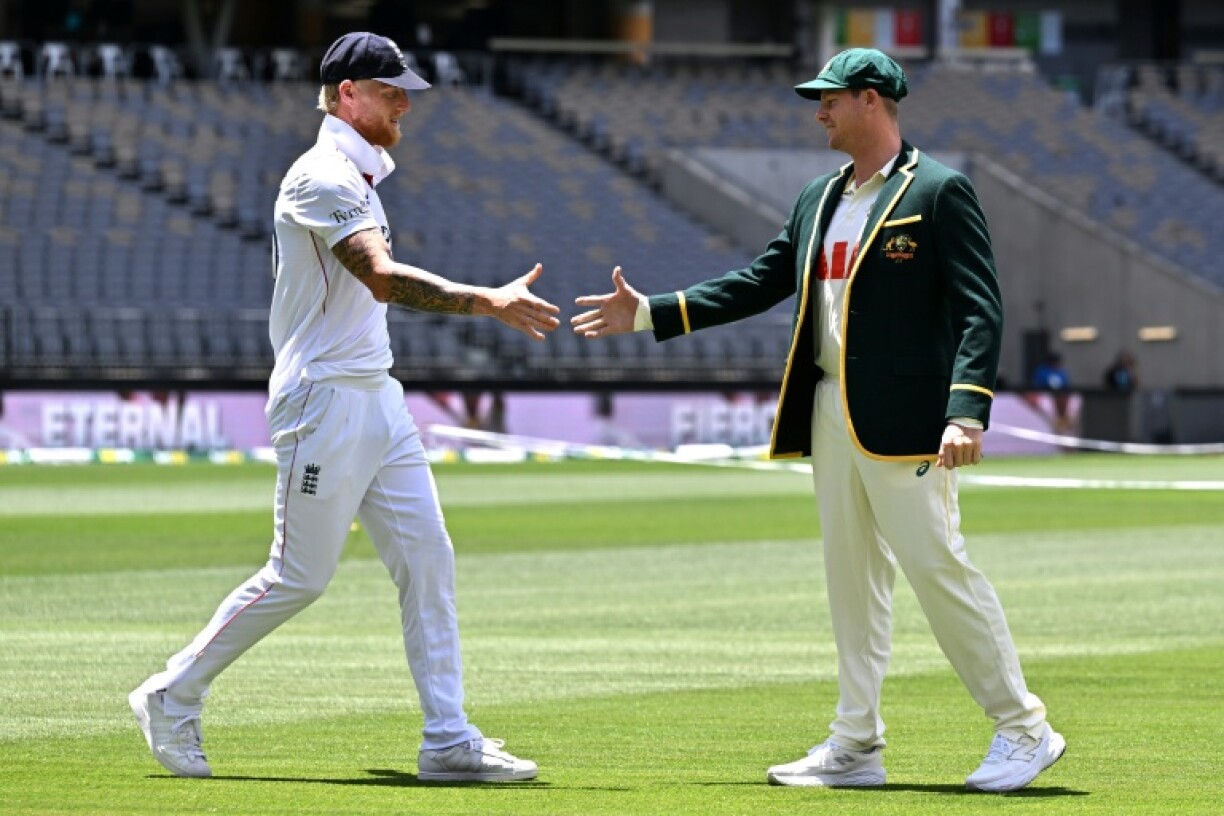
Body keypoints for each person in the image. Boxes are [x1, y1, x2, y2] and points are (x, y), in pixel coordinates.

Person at [572, 48, 1064, 793]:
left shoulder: (939, 190)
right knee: (850, 583)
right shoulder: (819, 196)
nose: (820, 112)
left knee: (939, 570)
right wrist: (650, 313)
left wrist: (966, 412)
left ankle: (1024, 727)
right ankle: (856, 744)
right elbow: (762, 278)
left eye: (831, 98)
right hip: (830, 409)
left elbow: (980, 309)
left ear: (871, 100)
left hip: (908, 419)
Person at [129, 31, 558, 782]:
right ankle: (171, 693)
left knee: (428, 560)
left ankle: (448, 739)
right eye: (391, 92)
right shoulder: (321, 176)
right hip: (322, 399)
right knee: (297, 576)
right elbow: (381, 278)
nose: (404, 105)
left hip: (375, 394)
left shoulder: (356, 175)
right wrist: (486, 300)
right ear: (347, 94)